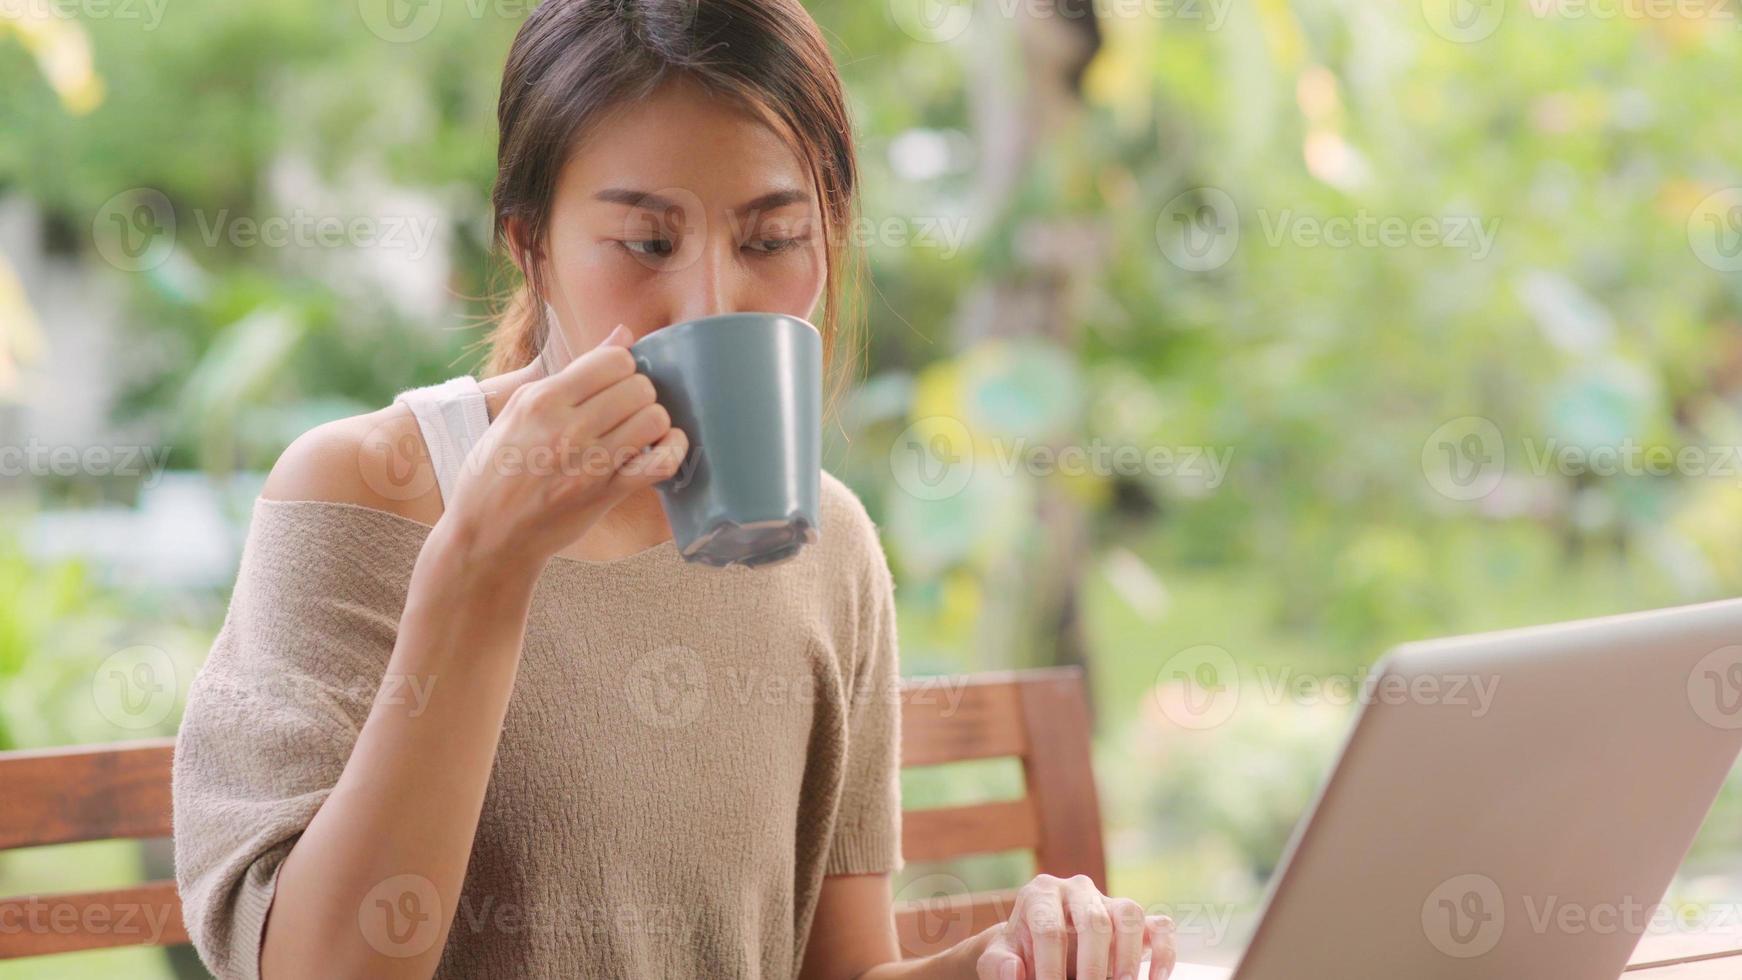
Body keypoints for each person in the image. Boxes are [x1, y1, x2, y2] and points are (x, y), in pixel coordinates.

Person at [171, 1, 1179, 977]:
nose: (711, 298)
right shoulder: (366, 494)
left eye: (771, 239)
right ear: (530, 244)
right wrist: (481, 564)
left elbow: (840, 968)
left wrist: (998, 961)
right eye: (647, 243)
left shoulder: (829, 541)